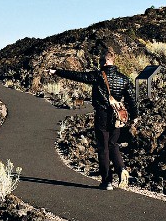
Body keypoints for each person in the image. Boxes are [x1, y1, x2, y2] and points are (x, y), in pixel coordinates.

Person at [48, 50, 138, 190]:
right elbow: (132, 100)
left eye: (101, 61)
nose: (100, 64)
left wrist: (57, 72)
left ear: (106, 61)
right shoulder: (124, 79)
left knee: (103, 147)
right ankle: (121, 169)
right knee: (113, 144)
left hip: (102, 115)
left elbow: (78, 76)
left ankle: (107, 181)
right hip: (117, 117)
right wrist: (135, 116)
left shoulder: (98, 76)